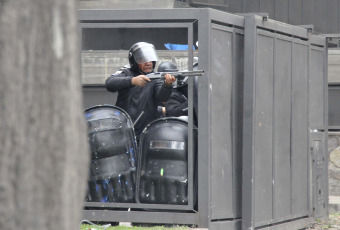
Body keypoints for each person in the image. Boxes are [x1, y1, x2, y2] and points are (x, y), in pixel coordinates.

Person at [105, 42, 176, 139]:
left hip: (148, 131)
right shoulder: (126, 72)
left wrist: (167, 85)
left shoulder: (156, 78)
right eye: (143, 59)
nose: (148, 63)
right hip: (124, 130)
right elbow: (109, 84)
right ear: (134, 61)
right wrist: (132, 81)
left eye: (150, 60)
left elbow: (162, 97)